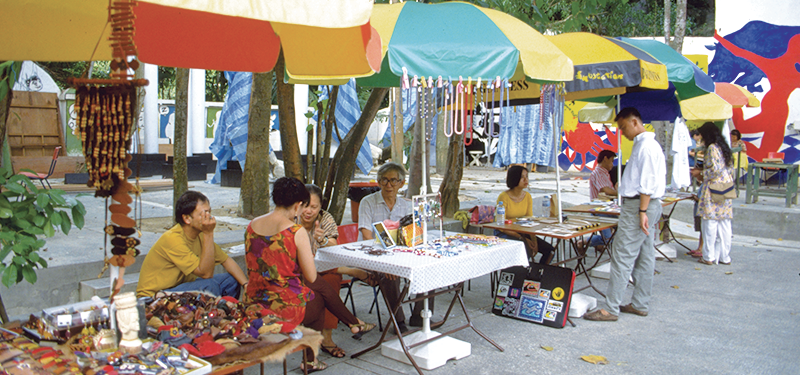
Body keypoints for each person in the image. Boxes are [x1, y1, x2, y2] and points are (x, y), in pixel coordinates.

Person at [246, 177, 374, 372]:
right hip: (282, 307)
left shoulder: (252, 225)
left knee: (317, 290)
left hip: (254, 301)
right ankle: (312, 358)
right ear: (298, 205)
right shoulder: (294, 231)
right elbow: (311, 276)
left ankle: (353, 324)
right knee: (318, 297)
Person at [584, 107, 665, 322]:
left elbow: (646, 183)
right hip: (643, 204)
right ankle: (640, 303)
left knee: (622, 256)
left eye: (623, 127)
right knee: (645, 255)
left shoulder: (646, 147)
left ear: (634, 122)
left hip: (639, 204)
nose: (622, 133)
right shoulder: (646, 145)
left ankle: (611, 308)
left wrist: (642, 211)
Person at [298, 184, 376, 358]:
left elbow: (334, 246)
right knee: (328, 278)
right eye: (305, 205)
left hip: (323, 269)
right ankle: (353, 320)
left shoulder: (325, 218)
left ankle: (327, 338)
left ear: (321, 207)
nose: (308, 211)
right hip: (299, 273)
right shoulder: (291, 220)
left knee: (332, 278)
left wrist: (323, 239)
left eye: (314, 207)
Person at [137, 191, 248, 298]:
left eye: (209, 212)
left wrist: (246, 285)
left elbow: (226, 260)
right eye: (203, 214)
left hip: (179, 288)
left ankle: (225, 312)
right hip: (154, 296)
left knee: (230, 280)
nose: (209, 217)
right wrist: (208, 233)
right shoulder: (173, 239)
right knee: (209, 287)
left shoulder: (199, 235)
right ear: (187, 218)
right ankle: (213, 315)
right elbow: (206, 274)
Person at [358, 162, 427, 333]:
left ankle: (419, 316)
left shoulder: (407, 205)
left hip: (400, 255)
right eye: (384, 180)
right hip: (372, 255)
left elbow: (414, 234)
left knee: (426, 268)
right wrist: (387, 258)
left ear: (401, 183)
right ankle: (398, 320)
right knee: (390, 273)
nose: (389, 185)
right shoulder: (368, 202)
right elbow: (367, 235)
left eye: (393, 181)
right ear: (378, 182)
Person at [495, 165, 554, 265]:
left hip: (522, 231)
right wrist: (522, 238)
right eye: (522, 177)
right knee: (525, 248)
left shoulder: (527, 196)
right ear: (515, 178)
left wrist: (533, 239)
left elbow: (529, 220)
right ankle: (520, 276)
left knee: (549, 250)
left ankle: (538, 273)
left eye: (527, 176)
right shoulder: (503, 197)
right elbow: (501, 226)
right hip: (506, 232)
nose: (526, 180)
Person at [696, 122, 734, 265]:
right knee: (724, 222)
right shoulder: (723, 148)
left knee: (709, 221)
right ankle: (725, 257)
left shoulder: (712, 148)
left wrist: (700, 174)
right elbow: (728, 168)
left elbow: (714, 170)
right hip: (726, 185)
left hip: (713, 187)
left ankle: (708, 256)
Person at [585, 150, 617, 253]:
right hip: (599, 210)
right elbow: (605, 189)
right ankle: (584, 242)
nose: (612, 164)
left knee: (623, 226)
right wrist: (619, 193)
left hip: (607, 208)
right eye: (611, 161)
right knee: (608, 239)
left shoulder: (605, 173)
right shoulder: (599, 172)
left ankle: (595, 243)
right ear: (605, 159)